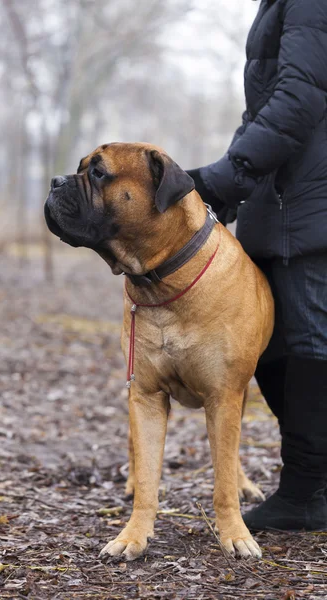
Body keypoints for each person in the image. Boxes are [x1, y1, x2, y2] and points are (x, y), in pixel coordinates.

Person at [187, 0, 327, 531]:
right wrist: (231, 180)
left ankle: (305, 492)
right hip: (280, 201)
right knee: (265, 346)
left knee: (310, 345)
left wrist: (229, 175)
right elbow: (265, 107)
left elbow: (298, 99)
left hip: (309, 204)